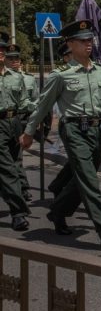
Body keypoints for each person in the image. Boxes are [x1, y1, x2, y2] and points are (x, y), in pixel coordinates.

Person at [20, 20, 101, 253]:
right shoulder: (60, 75)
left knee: (82, 180)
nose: (88, 44)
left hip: (96, 130)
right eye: (82, 41)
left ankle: (57, 212)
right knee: (91, 183)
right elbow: (43, 107)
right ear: (70, 44)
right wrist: (29, 132)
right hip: (74, 131)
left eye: (89, 40)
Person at [0, 34, 32, 231]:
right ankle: (18, 212)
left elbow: (24, 103)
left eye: (2, 49)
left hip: (14, 122)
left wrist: (41, 106)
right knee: (8, 169)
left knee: (13, 163)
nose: (1, 52)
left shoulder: (16, 77)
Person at [4, 42, 36, 201]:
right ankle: (17, 192)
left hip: (21, 120)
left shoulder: (27, 79)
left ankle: (22, 188)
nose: (14, 61)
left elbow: (32, 101)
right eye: (11, 59)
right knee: (8, 160)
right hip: (5, 120)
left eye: (17, 58)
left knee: (16, 157)